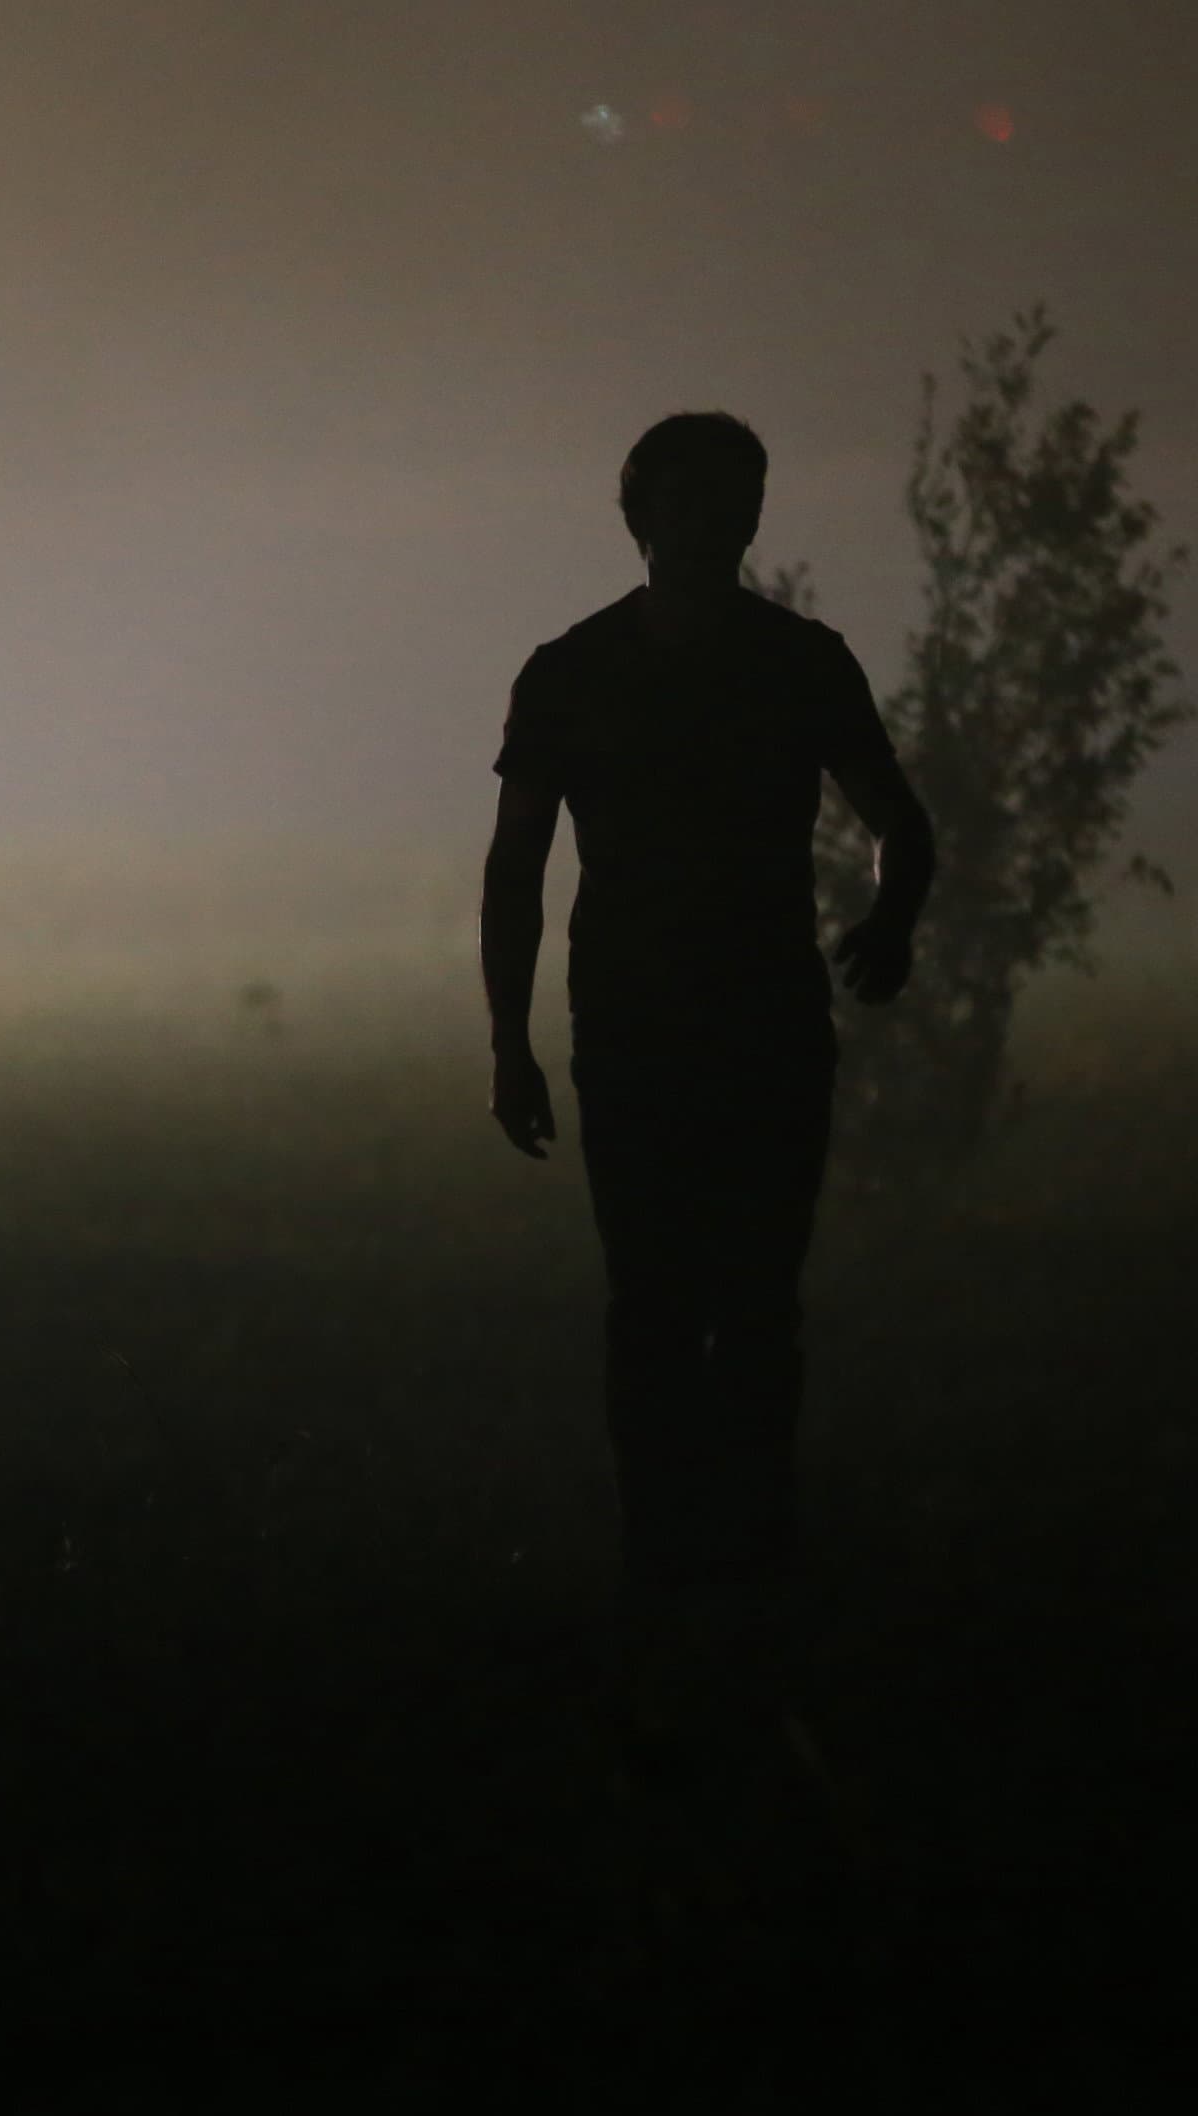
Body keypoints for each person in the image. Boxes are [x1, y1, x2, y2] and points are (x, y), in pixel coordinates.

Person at [477, 412, 935, 1745]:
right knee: (674, 1305)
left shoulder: (751, 665)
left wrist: (895, 915)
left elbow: (900, 824)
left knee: (736, 1304)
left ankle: (709, 1561)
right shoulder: (598, 672)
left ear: (746, 517)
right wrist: (507, 1039)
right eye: (686, 502)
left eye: (724, 502)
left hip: (744, 1026)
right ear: (645, 517)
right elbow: (515, 868)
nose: (705, 525)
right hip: (651, 1028)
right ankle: (695, 1558)